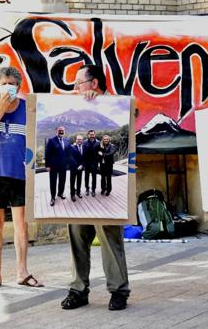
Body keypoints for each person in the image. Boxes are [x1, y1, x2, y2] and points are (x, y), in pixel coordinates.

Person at [61, 64, 130, 311]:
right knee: (77, 236)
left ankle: (119, 290)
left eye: (79, 83)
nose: (76, 88)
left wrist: (99, 103)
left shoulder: (118, 104)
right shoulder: (74, 111)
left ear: (94, 83)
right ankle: (78, 289)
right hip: (78, 187)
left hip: (104, 186)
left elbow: (135, 113)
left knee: (110, 237)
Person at [0, 66, 43, 290]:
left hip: (20, 174)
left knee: (21, 226)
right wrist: (1, 109)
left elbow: (38, 138)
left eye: (12, 84)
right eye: (4, 83)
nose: (8, 87)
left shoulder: (27, 108)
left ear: (19, 87)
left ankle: (22, 272)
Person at [45, 126, 70, 206]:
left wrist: (68, 163)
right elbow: (47, 154)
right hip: (53, 166)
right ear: (56, 131)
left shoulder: (67, 141)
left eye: (62, 130)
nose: (61, 132)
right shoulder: (51, 141)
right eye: (59, 130)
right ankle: (53, 197)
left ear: (64, 131)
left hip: (63, 166)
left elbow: (68, 153)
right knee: (53, 182)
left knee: (62, 181)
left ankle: (60, 193)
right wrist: (47, 165)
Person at [83, 129, 100, 197]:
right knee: (86, 177)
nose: (92, 136)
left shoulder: (98, 142)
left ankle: (93, 190)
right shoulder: (84, 142)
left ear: (94, 134)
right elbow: (83, 153)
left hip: (94, 162)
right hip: (87, 163)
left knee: (94, 177)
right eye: (90, 134)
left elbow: (100, 152)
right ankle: (87, 189)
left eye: (93, 134)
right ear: (88, 135)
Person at [69, 135, 85, 202]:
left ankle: (78, 192)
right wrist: (76, 166)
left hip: (80, 168)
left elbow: (85, 158)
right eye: (78, 139)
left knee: (79, 180)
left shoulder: (84, 148)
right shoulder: (72, 147)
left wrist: (82, 165)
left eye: (80, 139)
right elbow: (71, 158)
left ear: (82, 140)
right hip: (73, 167)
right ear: (76, 140)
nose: (79, 140)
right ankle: (72, 194)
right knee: (72, 181)